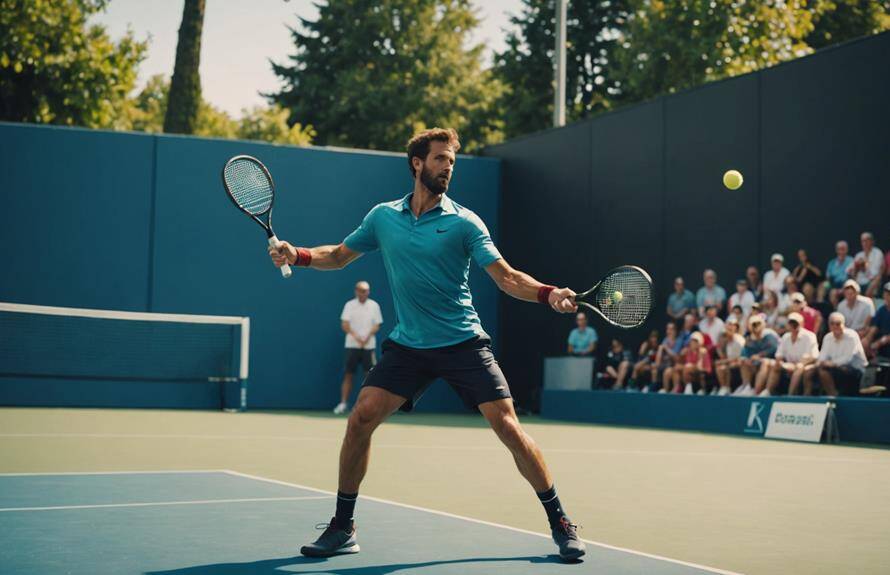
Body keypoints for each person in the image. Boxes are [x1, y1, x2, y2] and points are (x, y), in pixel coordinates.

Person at [270, 128, 585, 560]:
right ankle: (343, 526)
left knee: (509, 427)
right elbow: (340, 254)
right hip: (410, 346)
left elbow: (507, 278)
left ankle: (560, 521)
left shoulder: (465, 222)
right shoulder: (383, 217)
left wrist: (549, 293)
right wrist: (298, 254)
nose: (448, 167)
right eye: (440, 159)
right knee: (361, 417)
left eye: (451, 161)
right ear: (418, 163)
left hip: (463, 342)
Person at [335, 281, 384, 415]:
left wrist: (367, 337)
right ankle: (343, 403)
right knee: (348, 374)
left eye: (366, 290)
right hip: (352, 345)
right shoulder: (349, 305)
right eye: (362, 290)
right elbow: (345, 324)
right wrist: (357, 337)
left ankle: (368, 406)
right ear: (356, 291)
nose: (364, 293)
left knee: (370, 376)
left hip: (368, 347)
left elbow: (377, 324)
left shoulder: (374, 306)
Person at [808, 312, 867, 396]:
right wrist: (819, 364)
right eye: (832, 324)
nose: (835, 326)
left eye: (838, 324)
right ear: (829, 325)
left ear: (844, 324)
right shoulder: (828, 337)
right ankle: (832, 396)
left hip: (856, 370)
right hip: (837, 369)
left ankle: (836, 397)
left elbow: (848, 359)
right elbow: (822, 357)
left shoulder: (852, 336)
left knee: (841, 369)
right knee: (813, 371)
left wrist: (831, 363)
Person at [760, 312, 819, 397]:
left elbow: (814, 356)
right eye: (791, 323)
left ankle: (790, 395)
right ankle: (768, 391)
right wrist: (780, 362)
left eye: (795, 323)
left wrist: (800, 363)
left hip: (804, 365)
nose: (793, 325)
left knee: (799, 367)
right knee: (774, 365)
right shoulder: (786, 337)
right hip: (789, 364)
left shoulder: (810, 336)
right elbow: (779, 355)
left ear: (802, 324)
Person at [734, 315, 778, 397]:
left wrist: (760, 355)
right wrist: (747, 359)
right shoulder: (749, 338)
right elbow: (745, 353)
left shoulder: (769, 335)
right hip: (755, 362)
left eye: (758, 323)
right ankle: (747, 387)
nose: (756, 326)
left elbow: (774, 349)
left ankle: (757, 391)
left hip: (770, 361)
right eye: (754, 324)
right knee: (743, 360)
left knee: (764, 362)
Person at [847, 232, 884, 297]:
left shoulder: (878, 253)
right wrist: (856, 268)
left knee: (874, 283)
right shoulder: (859, 255)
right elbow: (848, 271)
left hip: (871, 283)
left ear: (872, 241)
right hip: (858, 283)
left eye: (867, 240)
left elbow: (874, 274)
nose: (865, 243)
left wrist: (864, 267)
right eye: (863, 241)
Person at [715, 318, 745, 396]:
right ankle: (724, 388)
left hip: (741, 362)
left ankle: (728, 388)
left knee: (727, 366)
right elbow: (724, 355)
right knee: (720, 367)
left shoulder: (739, 340)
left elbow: (739, 357)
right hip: (731, 361)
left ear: (736, 328)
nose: (730, 328)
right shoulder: (726, 341)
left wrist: (724, 361)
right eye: (729, 326)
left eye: (733, 326)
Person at [821, 240, 854, 306]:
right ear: (836, 250)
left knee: (833, 293)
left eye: (843, 249)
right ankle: (821, 306)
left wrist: (843, 288)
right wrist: (826, 285)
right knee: (822, 286)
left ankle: (835, 311)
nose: (841, 251)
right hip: (833, 285)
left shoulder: (851, 261)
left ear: (846, 250)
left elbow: (852, 277)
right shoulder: (832, 262)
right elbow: (828, 278)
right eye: (839, 249)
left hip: (847, 285)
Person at [864, 283, 890, 358]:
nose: (888, 296)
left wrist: (879, 342)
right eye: (887, 294)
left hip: (883, 342)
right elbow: (874, 328)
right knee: (865, 342)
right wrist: (867, 339)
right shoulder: (881, 310)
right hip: (882, 346)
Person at [654, 322, 682, 392]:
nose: (669, 331)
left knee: (667, 371)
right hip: (665, 365)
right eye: (668, 329)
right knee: (654, 370)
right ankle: (653, 389)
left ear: (675, 331)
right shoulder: (665, 340)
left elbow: (676, 358)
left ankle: (667, 391)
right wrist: (660, 349)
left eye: (671, 329)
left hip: (675, 365)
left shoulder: (679, 341)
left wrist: (666, 348)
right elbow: (657, 363)